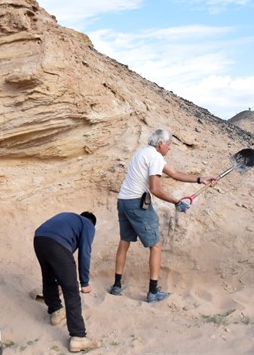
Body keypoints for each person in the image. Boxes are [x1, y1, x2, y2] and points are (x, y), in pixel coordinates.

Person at [109, 129, 218, 303]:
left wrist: (200, 179)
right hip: (137, 203)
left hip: (123, 201)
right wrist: (176, 202)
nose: (170, 148)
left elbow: (174, 174)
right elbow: (155, 189)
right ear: (161, 144)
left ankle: (116, 286)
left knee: (124, 242)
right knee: (156, 246)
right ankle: (153, 292)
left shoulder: (143, 152)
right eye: (169, 144)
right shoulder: (155, 157)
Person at [33, 212, 101, 353]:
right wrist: (84, 282)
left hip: (39, 238)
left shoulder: (69, 219)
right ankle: (78, 337)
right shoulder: (88, 224)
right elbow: (85, 252)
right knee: (71, 289)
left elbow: (60, 258)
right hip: (56, 243)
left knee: (48, 277)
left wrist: (62, 279)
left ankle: (56, 312)